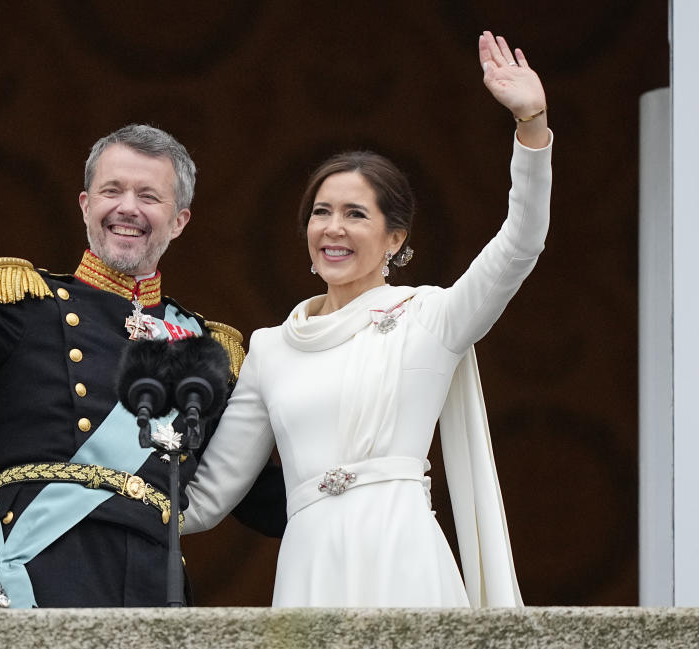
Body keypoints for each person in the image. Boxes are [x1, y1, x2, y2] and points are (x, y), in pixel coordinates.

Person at [0, 121, 285, 607]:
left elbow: (256, 492)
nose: (127, 207)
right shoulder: (28, 304)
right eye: (112, 190)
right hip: (45, 577)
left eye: (149, 196)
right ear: (86, 206)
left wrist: (366, 486)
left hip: (154, 592)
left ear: (179, 220)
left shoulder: (204, 350)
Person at [181, 31, 552, 607]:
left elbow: (519, 246)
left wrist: (531, 126)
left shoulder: (429, 317)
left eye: (356, 214)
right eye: (321, 213)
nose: (333, 228)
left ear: (394, 238)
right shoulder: (271, 348)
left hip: (402, 556)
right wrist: (93, 490)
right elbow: (205, 499)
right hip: (309, 569)